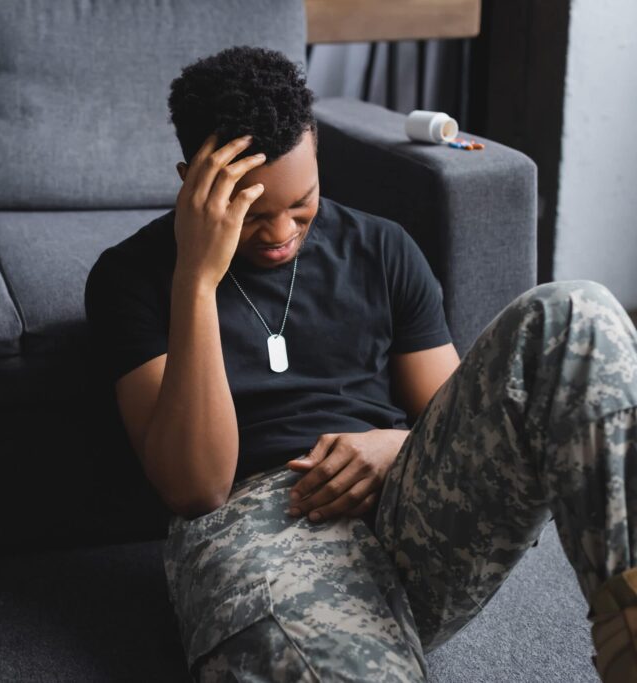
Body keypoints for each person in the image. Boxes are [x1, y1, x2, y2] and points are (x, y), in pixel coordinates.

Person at [83, 45, 637, 682]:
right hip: (256, 527)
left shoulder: (382, 247)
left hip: (405, 501)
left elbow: (454, 424)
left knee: (573, 314)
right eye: (252, 213)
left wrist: (397, 446)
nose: (281, 233)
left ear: (317, 152)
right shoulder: (131, 279)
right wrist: (198, 281)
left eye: (302, 203)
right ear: (192, 181)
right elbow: (195, 487)